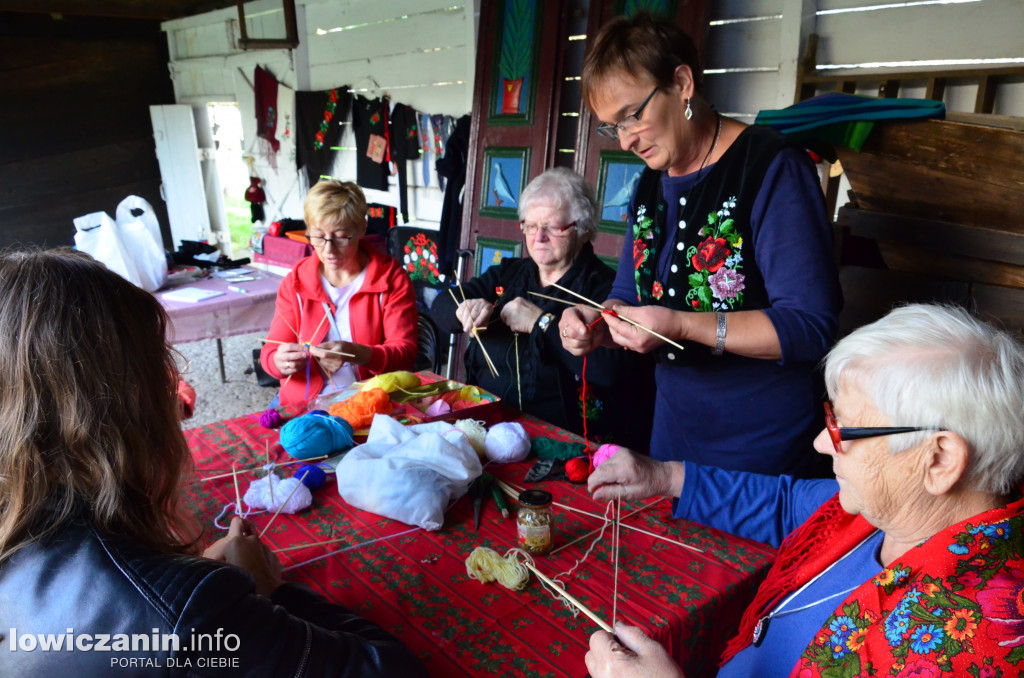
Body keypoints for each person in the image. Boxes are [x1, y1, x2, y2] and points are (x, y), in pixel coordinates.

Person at [0, 248, 428, 676]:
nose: (175, 388)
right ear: (127, 407)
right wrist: (271, 588)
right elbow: (392, 670)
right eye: (162, 369)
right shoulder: (194, 610)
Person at [584, 304, 1024, 678]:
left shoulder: (971, 645)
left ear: (940, 459)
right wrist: (663, 476)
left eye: (841, 428)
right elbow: (787, 504)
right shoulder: (884, 512)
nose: (819, 443)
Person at [561, 12, 842, 475]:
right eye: (613, 127)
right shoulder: (650, 186)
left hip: (763, 447)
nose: (626, 140)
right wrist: (599, 321)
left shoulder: (771, 168)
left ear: (683, 83)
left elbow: (810, 326)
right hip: (674, 431)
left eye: (633, 116)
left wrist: (681, 325)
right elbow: (629, 295)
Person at [432, 167, 654, 448]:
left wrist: (542, 323)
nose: (538, 237)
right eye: (531, 225)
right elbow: (440, 307)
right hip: (488, 427)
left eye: (552, 227)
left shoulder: (607, 290)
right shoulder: (509, 274)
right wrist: (464, 309)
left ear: (582, 230)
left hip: (567, 444)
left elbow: (611, 370)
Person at [261, 180, 418, 406]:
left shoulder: (389, 279)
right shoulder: (295, 282)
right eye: (318, 237)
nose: (328, 250)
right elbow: (270, 353)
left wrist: (358, 353)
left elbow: (406, 355)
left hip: (370, 401)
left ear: (362, 229)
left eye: (341, 237)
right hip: (302, 403)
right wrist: (278, 361)